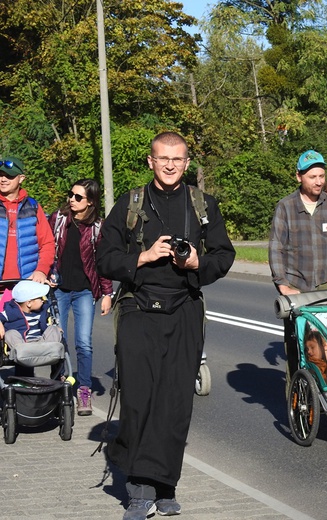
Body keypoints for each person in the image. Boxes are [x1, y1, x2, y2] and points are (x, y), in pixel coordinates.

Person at [96, 131, 235, 520]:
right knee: (140, 398)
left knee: (175, 401)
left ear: (187, 163)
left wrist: (196, 265)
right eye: (163, 158)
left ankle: (165, 485)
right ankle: (139, 488)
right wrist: (142, 256)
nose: (170, 165)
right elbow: (104, 257)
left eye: (178, 159)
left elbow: (224, 255)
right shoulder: (130, 203)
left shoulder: (202, 204)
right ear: (151, 161)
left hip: (185, 308)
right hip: (139, 309)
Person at [268, 150, 327, 393]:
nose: (318, 181)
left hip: (326, 286)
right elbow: (276, 248)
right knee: (297, 347)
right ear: (299, 177)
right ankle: (297, 400)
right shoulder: (286, 207)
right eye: (312, 176)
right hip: (296, 287)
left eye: (321, 176)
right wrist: (283, 286)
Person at [48, 179, 113, 416]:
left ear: (91, 202)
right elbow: (46, 249)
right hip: (59, 290)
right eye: (71, 195)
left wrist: (107, 293)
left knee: (84, 343)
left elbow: (102, 264)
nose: (71, 200)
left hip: (85, 291)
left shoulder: (97, 227)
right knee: (56, 341)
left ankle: (83, 390)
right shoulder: (58, 219)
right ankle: (59, 387)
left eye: (78, 197)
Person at [0, 157, 55, 283]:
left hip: (26, 285)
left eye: (9, 176)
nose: (3, 179)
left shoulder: (33, 207)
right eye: (1, 175)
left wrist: (41, 270)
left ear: (21, 178)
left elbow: (47, 243)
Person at [0, 280, 63, 378]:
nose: (43, 300)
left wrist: (55, 329)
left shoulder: (42, 311)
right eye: (39, 298)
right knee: (11, 333)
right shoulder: (10, 312)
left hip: (41, 343)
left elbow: (48, 327)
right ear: (29, 303)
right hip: (21, 345)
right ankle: (23, 352)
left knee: (53, 329)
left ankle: (53, 349)